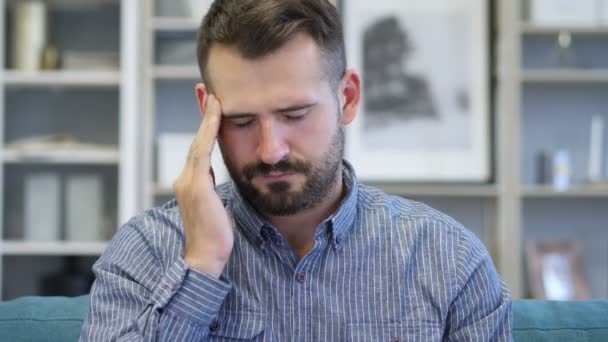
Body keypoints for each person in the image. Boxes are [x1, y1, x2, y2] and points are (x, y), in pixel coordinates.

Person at [80, 0, 512, 340]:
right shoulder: (147, 251)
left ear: (347, 97)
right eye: (242, 121)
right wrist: (201, 265)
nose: (270, 150)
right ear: (206, 111)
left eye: (295, 114)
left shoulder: (450, 260)